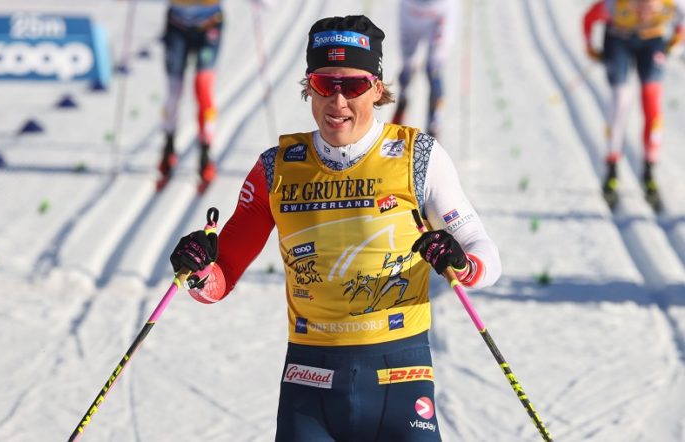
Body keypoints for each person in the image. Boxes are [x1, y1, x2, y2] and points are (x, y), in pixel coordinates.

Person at [169, 14, 501, 440]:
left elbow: (485, 254)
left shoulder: (418, 157)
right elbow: (218, 281)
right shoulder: (275, 168)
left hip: (400, 377)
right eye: (325, 84)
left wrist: (463, 263)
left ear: (377, 88)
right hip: (309, 385)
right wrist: (197, 269)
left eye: (354, 86)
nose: (338, 101)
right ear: (309, 87)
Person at [583, 0, 685, 209]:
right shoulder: (614, 6)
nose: (643, 12)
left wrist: (675, 42)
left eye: (649, 7)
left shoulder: (673, 5)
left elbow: (681, 23)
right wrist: (590, 47)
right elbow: (588, 19)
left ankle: (649, 169)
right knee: (620, 100)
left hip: (652, 40)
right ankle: (612, 169)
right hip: (618, 39)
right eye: (638, 6)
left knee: (651, 101)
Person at [158, 0, 224, 187]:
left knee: (203, 87)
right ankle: (168, 147)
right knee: (174, 92)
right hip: (177, 25)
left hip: (210, 23)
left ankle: (206, 153)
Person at [391, 0, 458, 140]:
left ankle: (435, 123)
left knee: (434, 69)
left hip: (440, 10)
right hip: (411, 10)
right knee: (408, 64)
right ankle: (403, 97)